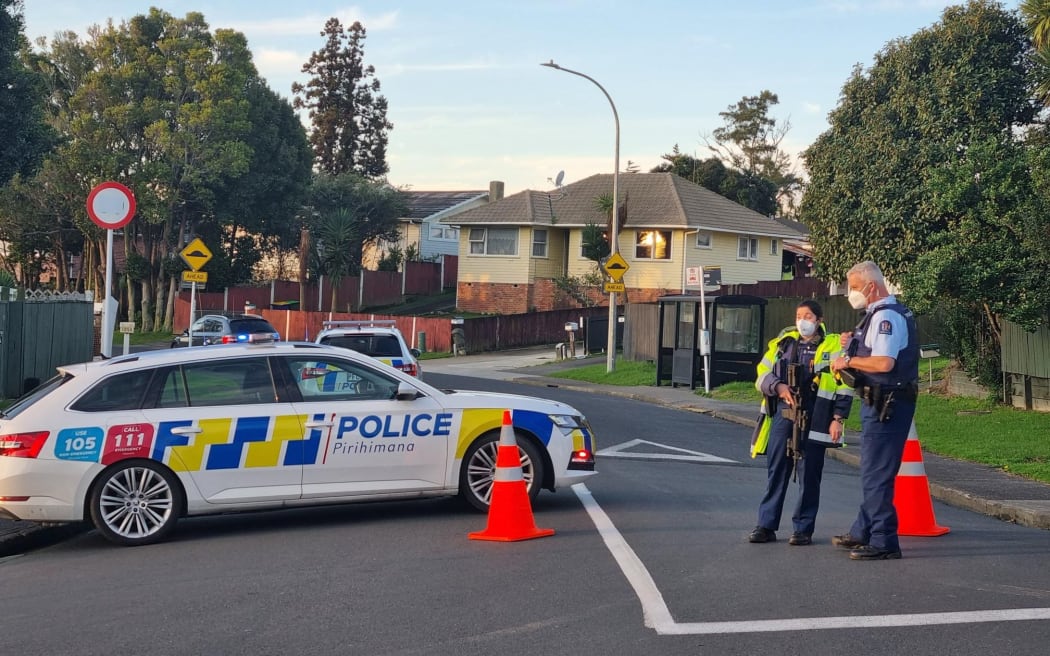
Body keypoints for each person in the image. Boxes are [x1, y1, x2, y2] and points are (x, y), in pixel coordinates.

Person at [830, 261, 920, 561]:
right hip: (881, 401)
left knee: (876, 474)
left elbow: (884, 363)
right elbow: (871, 350)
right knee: (874, 471)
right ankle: (863, 531)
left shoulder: (886, 318)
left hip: (887, 403)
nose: (851, 293)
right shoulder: (876, 315)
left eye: (855, 287)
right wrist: (852, 343)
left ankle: (884, 541)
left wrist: (848, 362)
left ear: (872, 286)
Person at [748, 300, 854, 546]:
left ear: (819, 320)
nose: (802, 320)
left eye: (808, 316)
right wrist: (779, 386)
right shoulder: (783, 344)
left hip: (817, 416)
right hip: (784, 412)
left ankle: (803, 529)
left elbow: (845, 385)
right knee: (777, 470)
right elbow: (762, 374)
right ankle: (765, 525)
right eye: (799, 315)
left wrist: (838, 419)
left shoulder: (833, 345)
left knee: (809, 475)